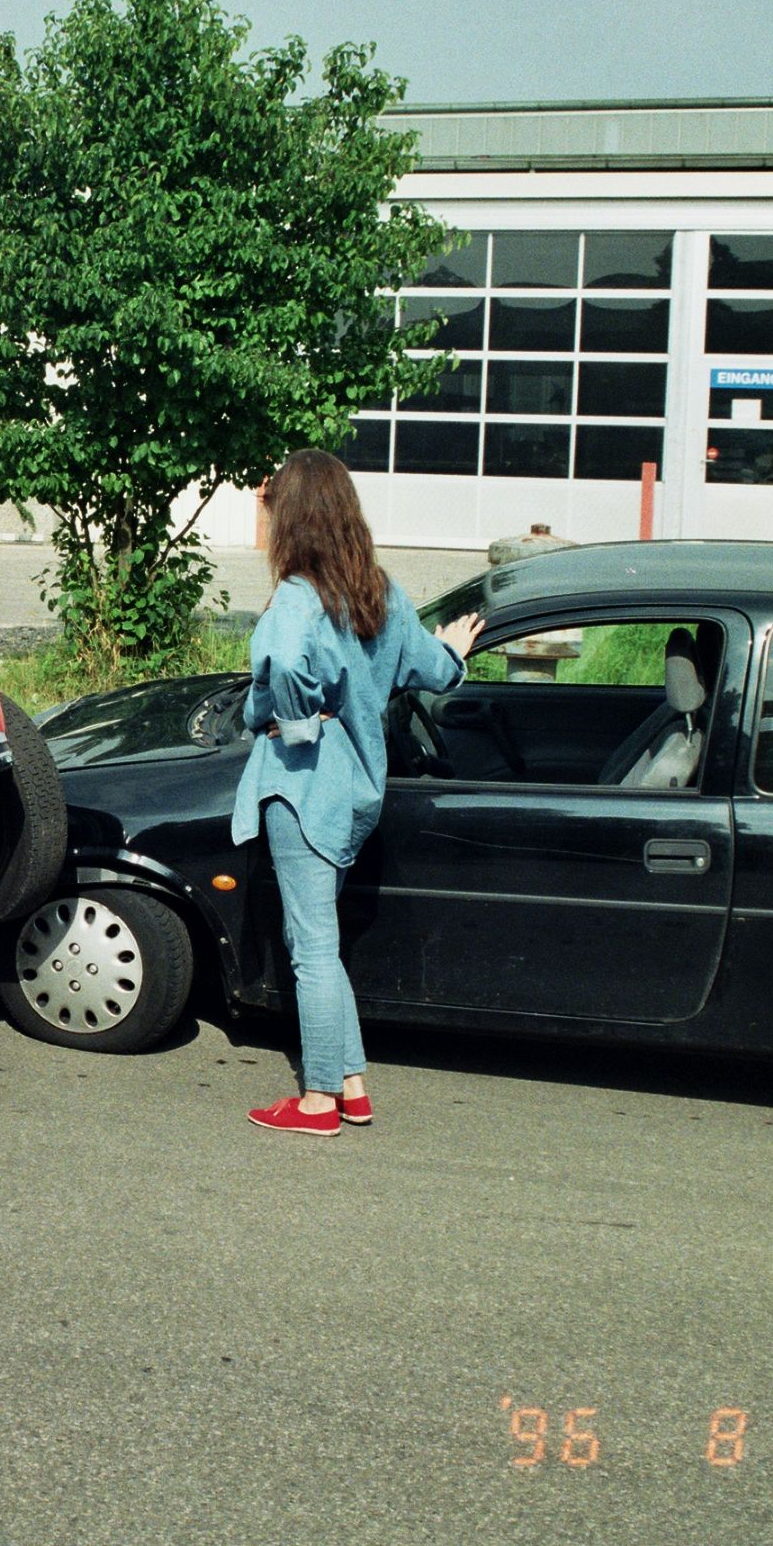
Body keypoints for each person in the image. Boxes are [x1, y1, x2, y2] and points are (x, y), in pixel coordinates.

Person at [231, 448, 482, 1137]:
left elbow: (282, 666)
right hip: (358, 793)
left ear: (295, 521)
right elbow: (435, 671)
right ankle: (351, 1083)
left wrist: (294, 717)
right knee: (323, 938)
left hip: (305, 785)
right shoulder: (381, 592)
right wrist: (456, 650)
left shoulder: (297, 598)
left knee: (309, 946)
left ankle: (315, 1104)